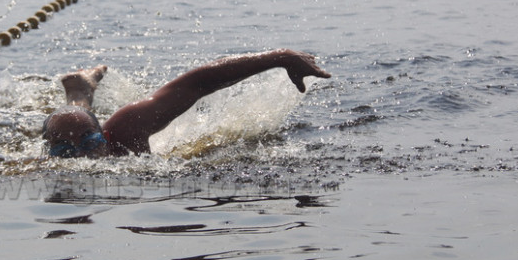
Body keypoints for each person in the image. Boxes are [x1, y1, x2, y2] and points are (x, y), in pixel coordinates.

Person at [42, 49, 331, 158]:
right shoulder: (34, 168)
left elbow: (197, 83)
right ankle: (79, 90)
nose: (81, 156)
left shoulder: (126, 129)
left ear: (104, 137)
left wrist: (280, 58)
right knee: (76, 119)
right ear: (48, 153)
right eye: (65, 151)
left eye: (90, 145)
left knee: (79, 118)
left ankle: (80, 91)